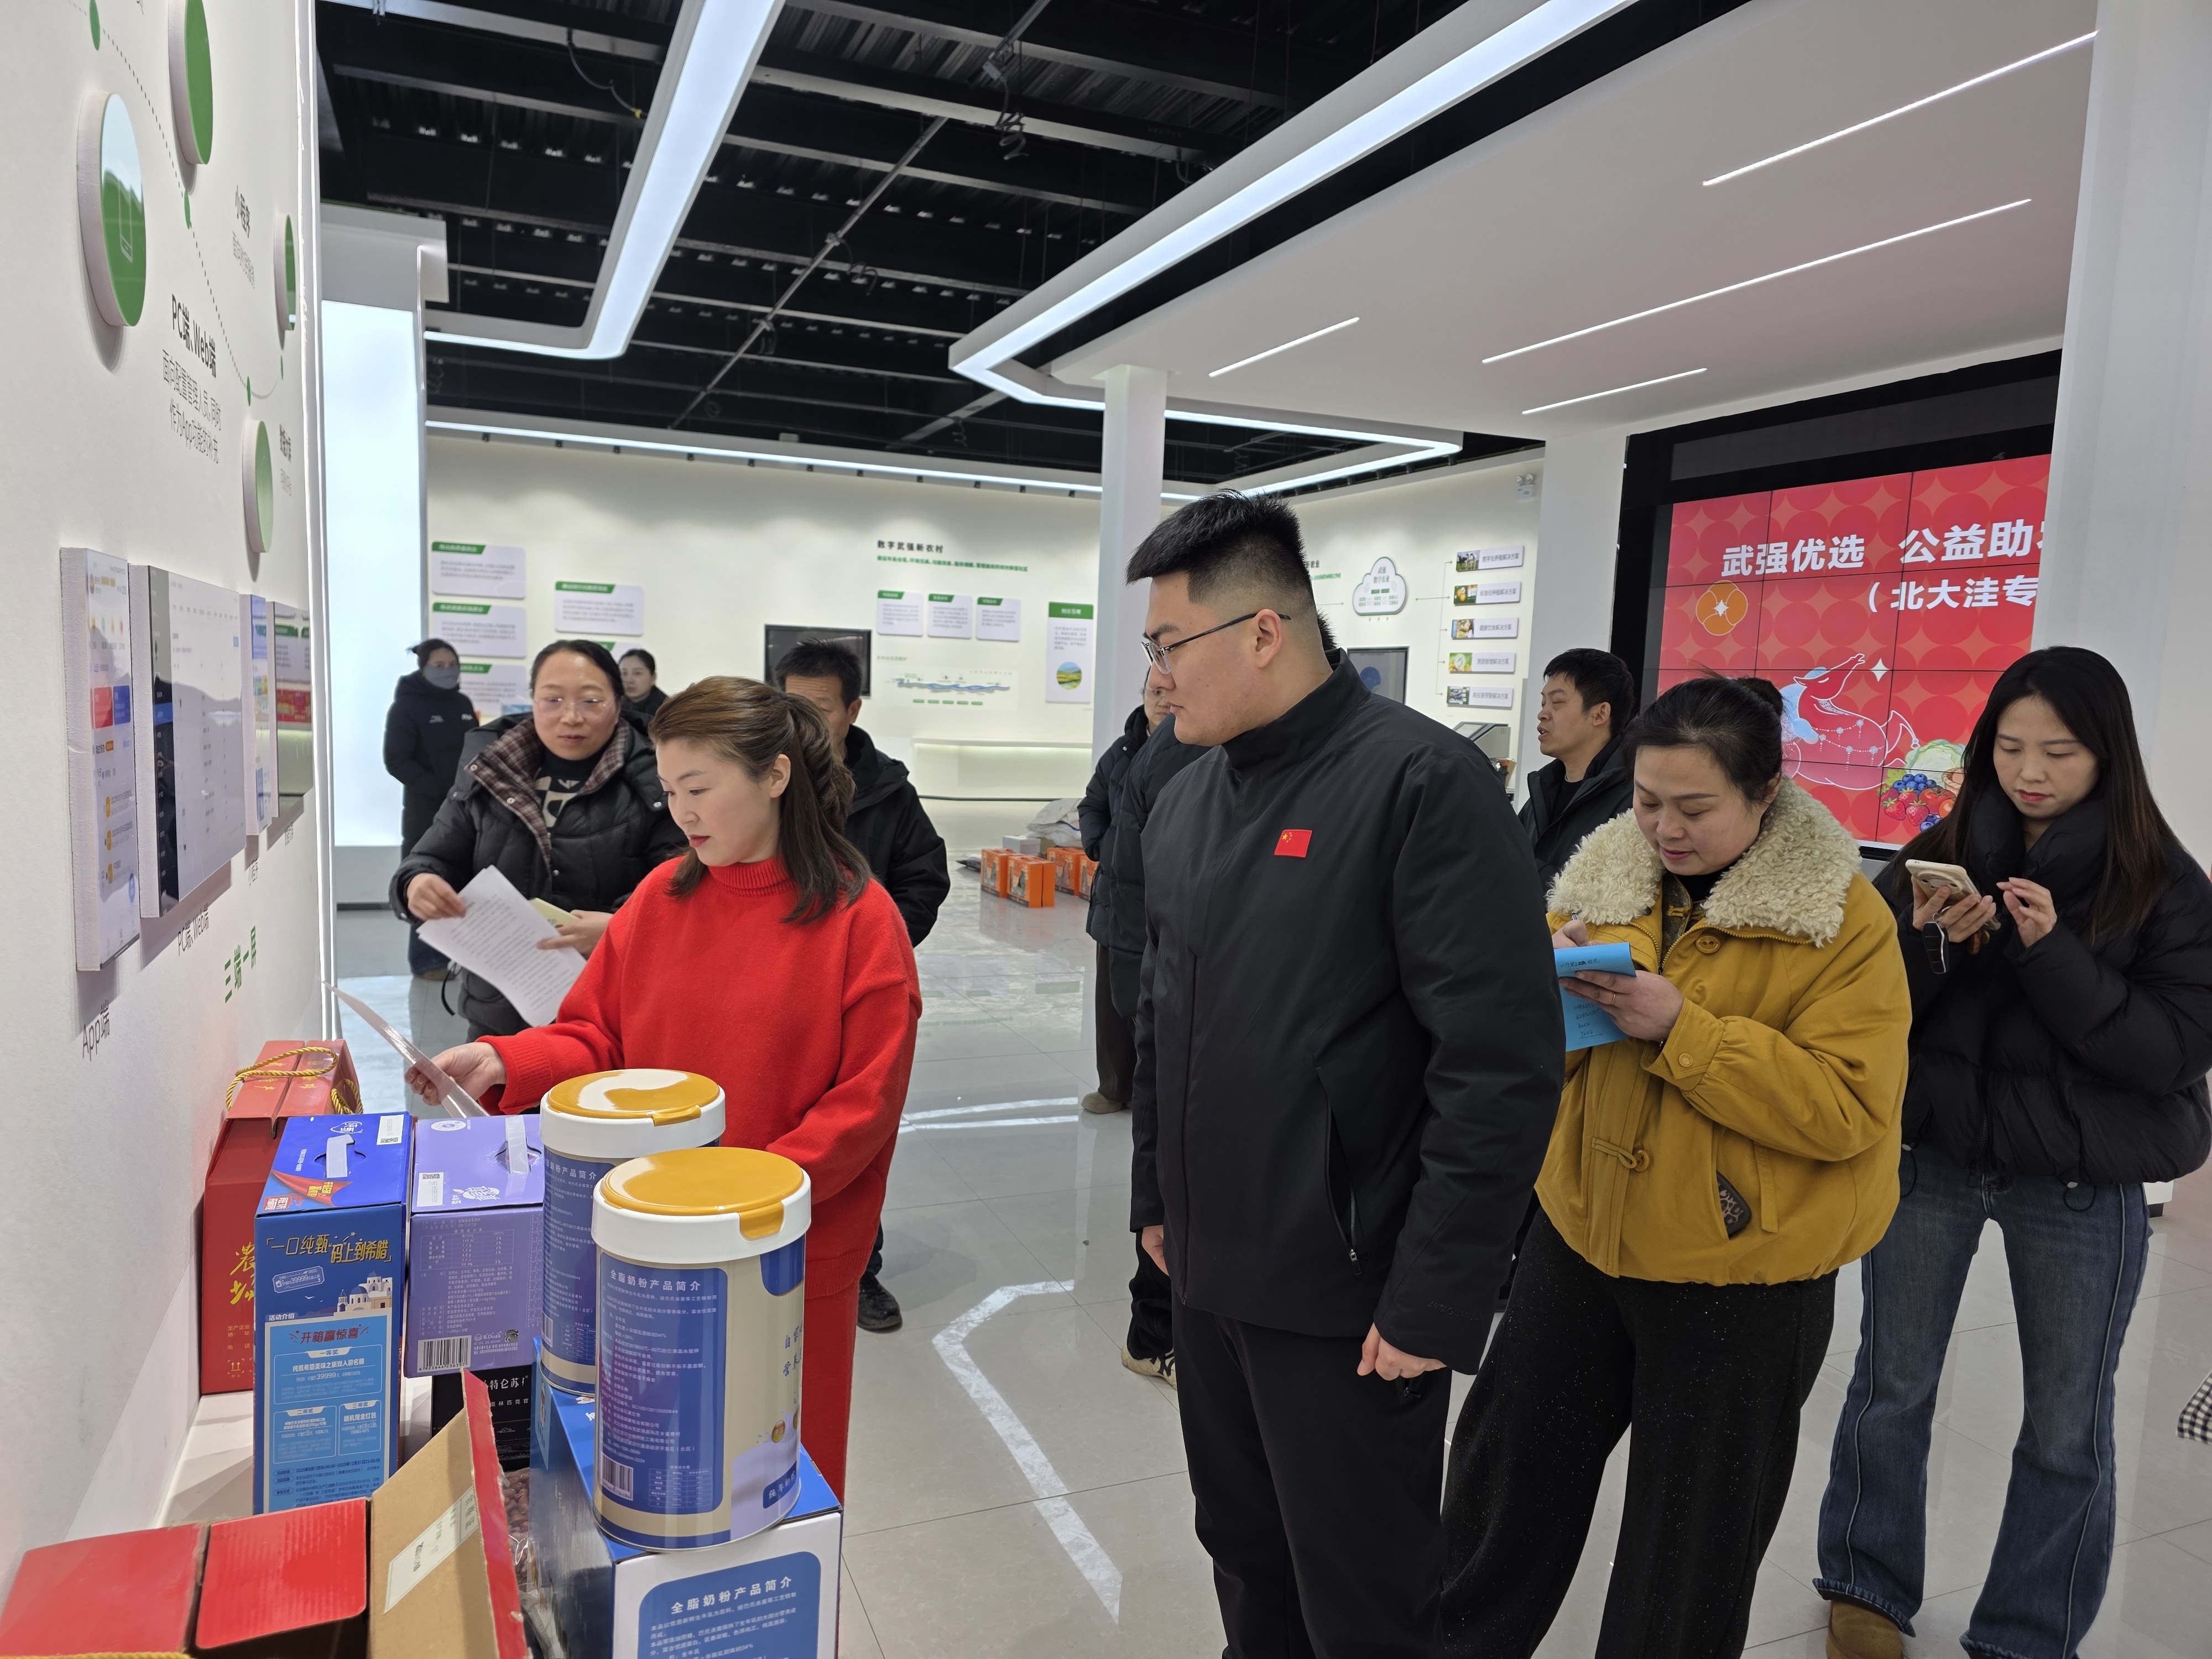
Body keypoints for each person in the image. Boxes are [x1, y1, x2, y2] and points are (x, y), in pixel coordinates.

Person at [1128, 493, 1563, 1657]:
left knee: (1361, 1595)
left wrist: (1436, 1299)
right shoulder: (1184, 798)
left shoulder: (1422, 784)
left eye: (1170, 646)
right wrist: (1155, 1198)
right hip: (1213, 1269)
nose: (1158, 679)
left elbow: (1500, 1065)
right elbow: (1162, 1017)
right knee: (1244, 1550)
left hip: (1351, 1295)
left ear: (1263, 632)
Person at [1440, 675, 1912, 1659]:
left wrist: (1684, 1031)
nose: (1664, 828)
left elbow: (1847, 1110)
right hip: (1581, 1235)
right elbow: (1538, 1060)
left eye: (1695, 807)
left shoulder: (1841, 919)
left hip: (1741, 1273)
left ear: (1766, 792)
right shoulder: (1604, 876)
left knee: (1688, 1548)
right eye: (1648, 800)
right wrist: (1541, 993)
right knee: (1501, 1490)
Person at [414, 676, 921, 1500]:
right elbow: (599, 1036)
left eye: (699, 789)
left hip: (784, 1253)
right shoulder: (661, 899)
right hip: (651, 1243)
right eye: (671, 791)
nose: (681, 813)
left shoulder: (860, 922)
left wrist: (736, 1204)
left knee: (775, 1485)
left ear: (775, 777)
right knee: (661, 1477)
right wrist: (506, 1061)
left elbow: (863, 1107)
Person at [1813, 646, 2212, 1659]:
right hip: (1932, 1157)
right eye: (2010, 746)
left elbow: (2172, 1052)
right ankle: (1865, 1587)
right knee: (1891, 1387)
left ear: (2108, 755)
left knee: (2066, 1423)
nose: (2031, 772)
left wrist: (2050, 953)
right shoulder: (1938, 849)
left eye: (2060, 752)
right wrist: (1934, 941)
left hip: (2082, 1182)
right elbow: (1862, 1008)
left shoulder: (2164, 884)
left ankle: (2029, 1632)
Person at [775, 638, 950, 1336]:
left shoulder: (888, 790)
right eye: (791, 705)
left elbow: (924, 880)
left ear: (852, 709)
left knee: (853, 1135)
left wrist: (874, 950)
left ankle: (858, 1269)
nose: (804, 721)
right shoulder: (760, 775)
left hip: (854, 995)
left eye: (819, 708)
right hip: (774, 994)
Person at [392, 639, 686, 1038]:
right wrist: (418, 883)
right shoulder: (490, 768)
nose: (571, 717)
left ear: (619, 703)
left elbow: (680, 887)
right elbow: (434, 855)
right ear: (533, 701)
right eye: (553, 700)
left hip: (608, 1016)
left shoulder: (656, 779)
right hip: (500, 1011)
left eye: (591, 701)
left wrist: (621, 930)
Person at [1076, 680, 1170, 1116]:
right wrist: (1101, 844)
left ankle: (1156, 1092)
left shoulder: (1200, 748)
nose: (1162, 701)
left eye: (1169, 692)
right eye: (1154, 693)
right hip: (1114, 896)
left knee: (1153, 998)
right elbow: (1092, 804)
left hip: (1160, 897)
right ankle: (1114, 1087)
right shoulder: (1122, 751)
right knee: (1110, 998)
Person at [383, 638, 478, 977]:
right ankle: (426, 961)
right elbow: (396, 760)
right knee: (425, 878)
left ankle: (460, 957)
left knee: (462, 877)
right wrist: (440, 788)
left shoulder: (463, 703)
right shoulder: (406, 707)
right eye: (439, 665)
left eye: (452, 665)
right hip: (426, 810)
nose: (447, 671)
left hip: (466, 806)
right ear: (423, 669)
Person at [1521, 647, 1637, 896]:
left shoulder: (1635, 799)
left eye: (1557, 703)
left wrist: (1521, 870)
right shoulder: (1543, 789)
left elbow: (1609, 895)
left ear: (1600, 714)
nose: (1542, 714)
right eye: (1543, 703)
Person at [619, 648, 667, 718]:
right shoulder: (615, 703)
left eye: (637, 673)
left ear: (653, 678)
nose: (629, 680)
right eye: (624, 673)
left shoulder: (667, 708)